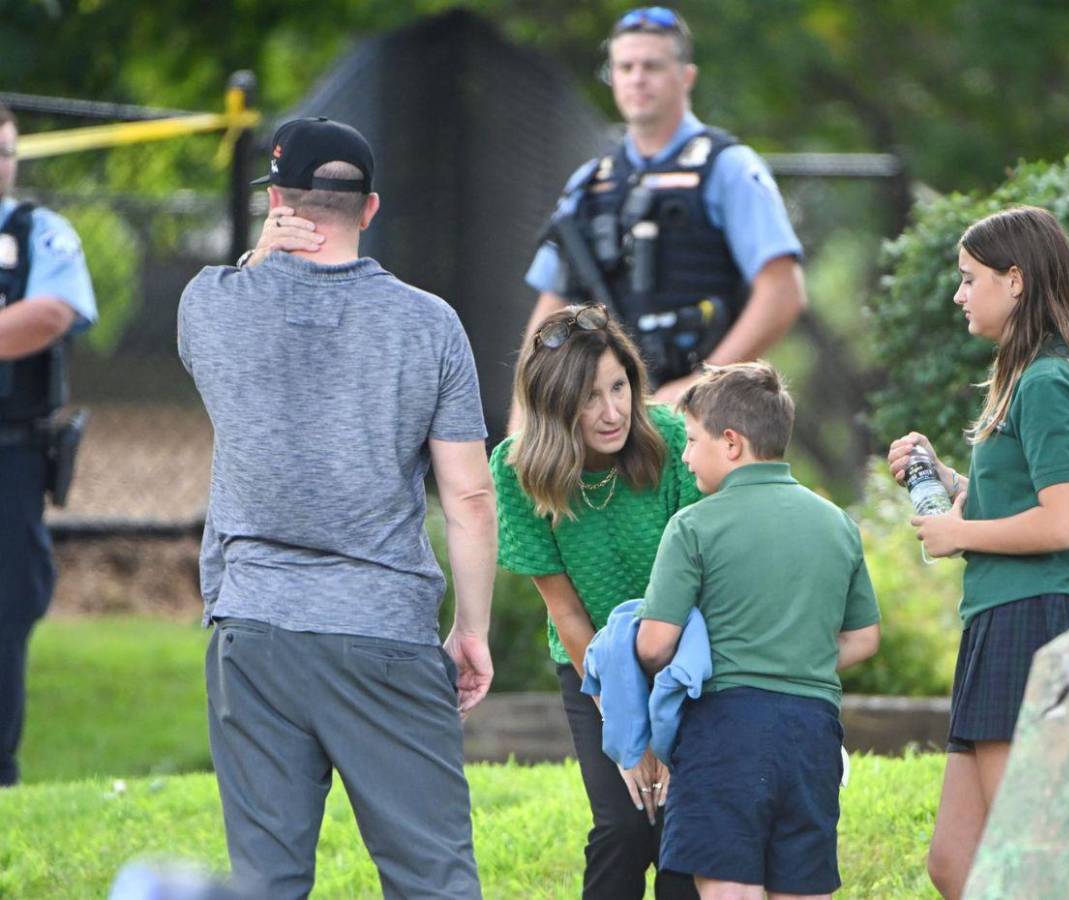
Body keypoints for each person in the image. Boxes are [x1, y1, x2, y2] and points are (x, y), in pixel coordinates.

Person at [178, 117, 496, 899]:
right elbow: (469, 494)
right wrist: (471, 629)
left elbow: (240, 288)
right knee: (434, 879)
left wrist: (260, 253)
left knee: (266, 882)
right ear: (371, 207)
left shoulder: (209, 305)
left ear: (279, 201)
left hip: (252, 627)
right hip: (383, 629)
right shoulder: (431, 325)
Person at [886, 206, 1069, 900]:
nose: (958, 295)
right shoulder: (1026, 379)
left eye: (968, 278)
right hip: (999, 621)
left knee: (1029, 860)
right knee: (956, 862)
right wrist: (946, 483)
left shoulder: (1047, 381)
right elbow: (1023, 497)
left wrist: (960, 533)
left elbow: (1067, 522)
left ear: (1014, 281)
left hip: (1035, 621)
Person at [636, 361, 882, 899]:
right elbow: (864, 638)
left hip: (727, 731)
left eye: (692, 439)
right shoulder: (836, 523)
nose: (684, 455)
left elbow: (655, 645)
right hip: (813, 732)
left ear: (730, 443)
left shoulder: (695, 525)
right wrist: (795, 657)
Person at [490, 303, 703, 899]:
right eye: (588, 397)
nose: (612, 412)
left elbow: (702, 579)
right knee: (624, 827)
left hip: (684, 652)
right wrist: (629, 723)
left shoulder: (673, 437)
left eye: (619, 387)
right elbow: (564, 610)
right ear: (555, 403)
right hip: (595, 664)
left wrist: (662, 703)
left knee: (683, 834)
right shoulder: (516, 471)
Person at [513, 6, 807, 423]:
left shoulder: (728, 167)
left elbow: (782, 292)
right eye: (625, 66)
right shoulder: (589, 183)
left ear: (686, 76)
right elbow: (550, 311)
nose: (637, 77)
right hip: (609, 417)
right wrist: (524, 426)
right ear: (611, 76)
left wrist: (700, 384)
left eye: (651, 65)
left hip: (709, 421)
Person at [0, 101, 98, 787]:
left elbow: (51, 314)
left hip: (10, 455)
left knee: (5, 612)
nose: (1, 166)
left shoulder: (40, 233)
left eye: (7, 152)